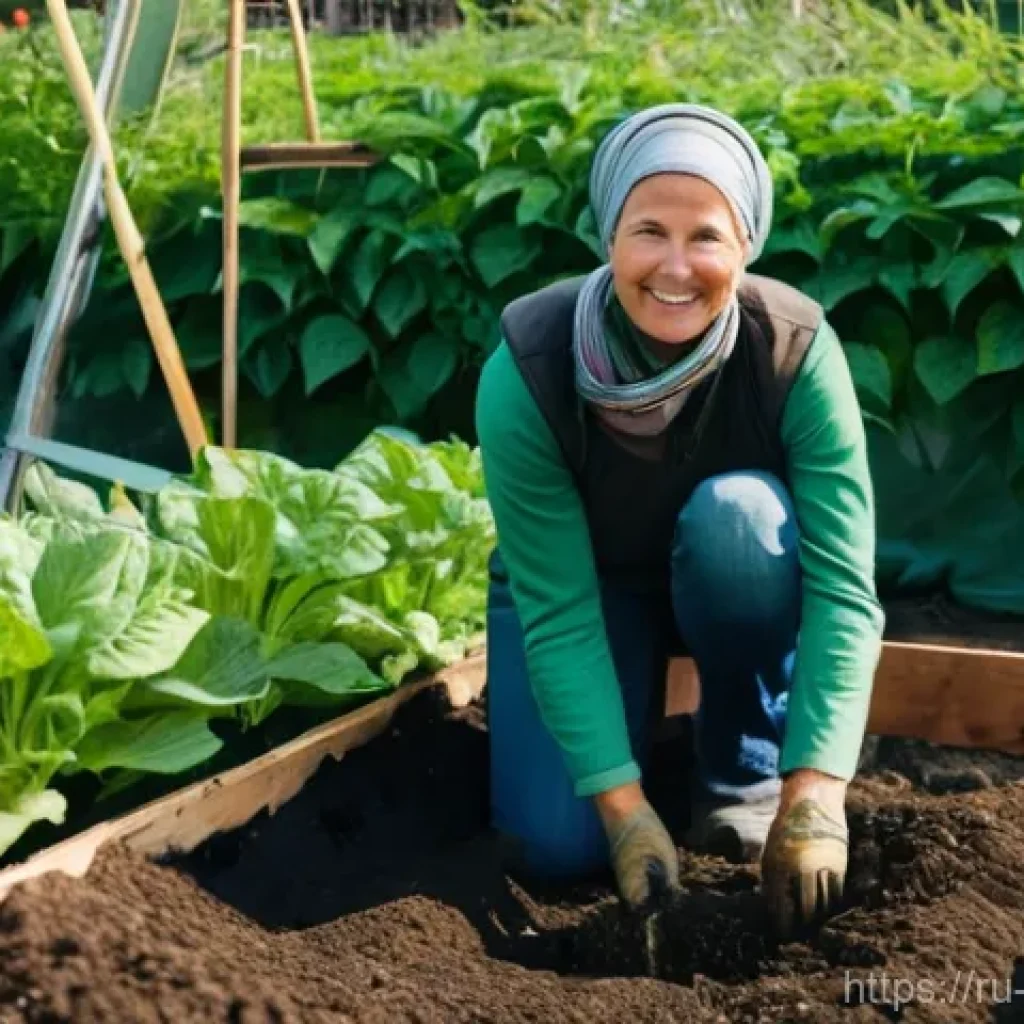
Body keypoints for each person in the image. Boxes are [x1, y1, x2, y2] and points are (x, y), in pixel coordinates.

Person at [474, 103, 885, 937]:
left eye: (707, 235)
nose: (675, 265)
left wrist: (817, 796)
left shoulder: (793, 352)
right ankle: (635, 773)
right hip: (586, 591)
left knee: (740, 520)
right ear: (608, 237)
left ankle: (743, 771)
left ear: (746, 245)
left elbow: (845, 591)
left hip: (732, 579)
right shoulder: (532, 366)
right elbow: (557, 608)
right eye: (648, 230)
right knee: (555, 846)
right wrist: (621, 809)